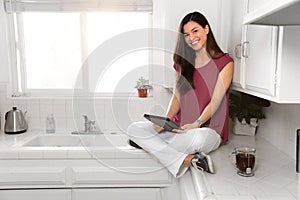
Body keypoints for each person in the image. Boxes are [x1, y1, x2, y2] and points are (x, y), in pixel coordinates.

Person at [127, 11, 234, 178]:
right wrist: (166, 121)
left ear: (206, 29)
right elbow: (177, 97)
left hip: (206, 130)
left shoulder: (225, 62)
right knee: (134, 129)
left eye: (195, 30)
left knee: (194, 140)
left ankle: (150, 145)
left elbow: (216, 101)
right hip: (178, 129)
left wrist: (196, 124)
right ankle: (189, 160)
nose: (191, 37)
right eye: (186, 34)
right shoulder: (183, 63)